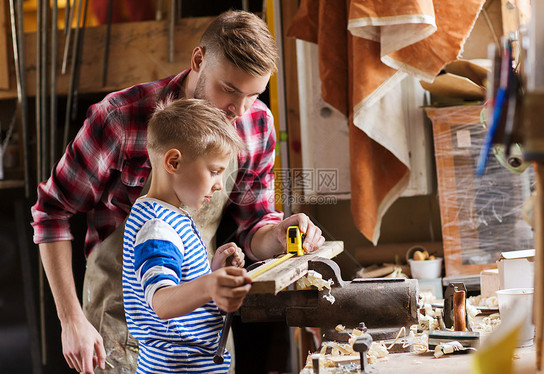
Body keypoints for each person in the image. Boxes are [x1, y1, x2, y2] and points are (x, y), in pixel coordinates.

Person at [31, 9, 325, 374]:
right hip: (122, 329)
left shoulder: (257, 123)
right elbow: (51, 211)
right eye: (229, 89)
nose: (238, 109)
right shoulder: (122, 118)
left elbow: (254, 230)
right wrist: (71, 320)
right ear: (199, 60)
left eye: (253, 94)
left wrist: (279, 235)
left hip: (202, 332)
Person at [123, 98, 252, 373]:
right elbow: (162, 301)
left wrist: (213, 271)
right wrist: (210, 285)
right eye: (215, 171)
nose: (219, 185)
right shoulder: (157, 226)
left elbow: (180, 282)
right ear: (174, 162)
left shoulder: (171, 216)